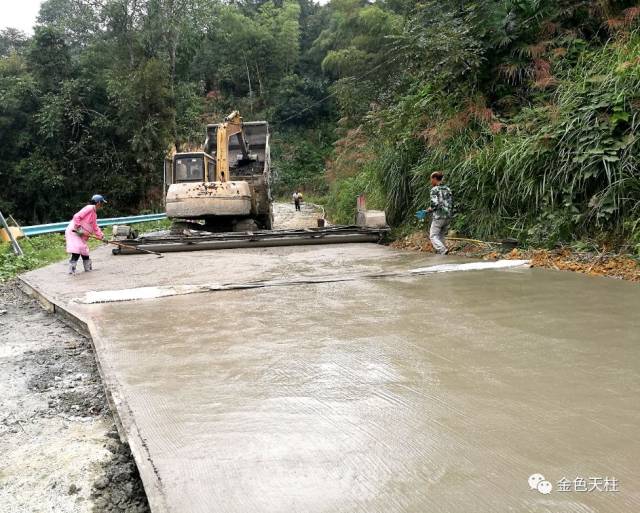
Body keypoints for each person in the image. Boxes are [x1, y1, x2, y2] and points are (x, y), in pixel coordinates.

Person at [65, 194, 106, 274]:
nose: (102, 206)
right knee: (77, 249)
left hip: (81, 234)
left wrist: (101, 236)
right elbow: (76, 216)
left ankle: (87, 268)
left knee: (84, 250)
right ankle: (72, 269)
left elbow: (95, 227)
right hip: (75, 231)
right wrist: (79, 228)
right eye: (102, 203)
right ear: (98, 203)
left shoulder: (94, 213)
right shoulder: (89, 208)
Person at [427, 172, 453, 255]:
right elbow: (450, 202)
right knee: (441, 236)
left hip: (439, 216)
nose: (431, 181)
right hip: (448, 216)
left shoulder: (434, 189)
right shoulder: (447, 189)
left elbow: (435, 204)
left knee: (433, 236)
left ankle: (442, 250)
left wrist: (429, 209)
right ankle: (442, 255)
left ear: (434, 178)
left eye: (431, 179)